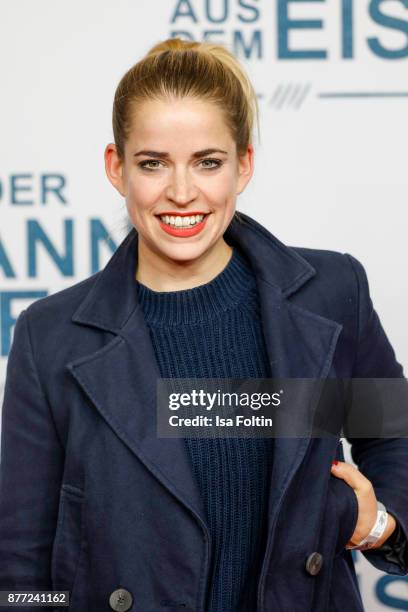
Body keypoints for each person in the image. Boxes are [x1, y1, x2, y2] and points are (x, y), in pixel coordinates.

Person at [0, 37, 407, 612]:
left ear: (243, 164)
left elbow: (393, 435)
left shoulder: (330, 293)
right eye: (153, 163)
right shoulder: (51, 338)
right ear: (117, 168)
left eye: (208, 162)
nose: (182, 192)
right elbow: (19, 567)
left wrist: (379, 520)